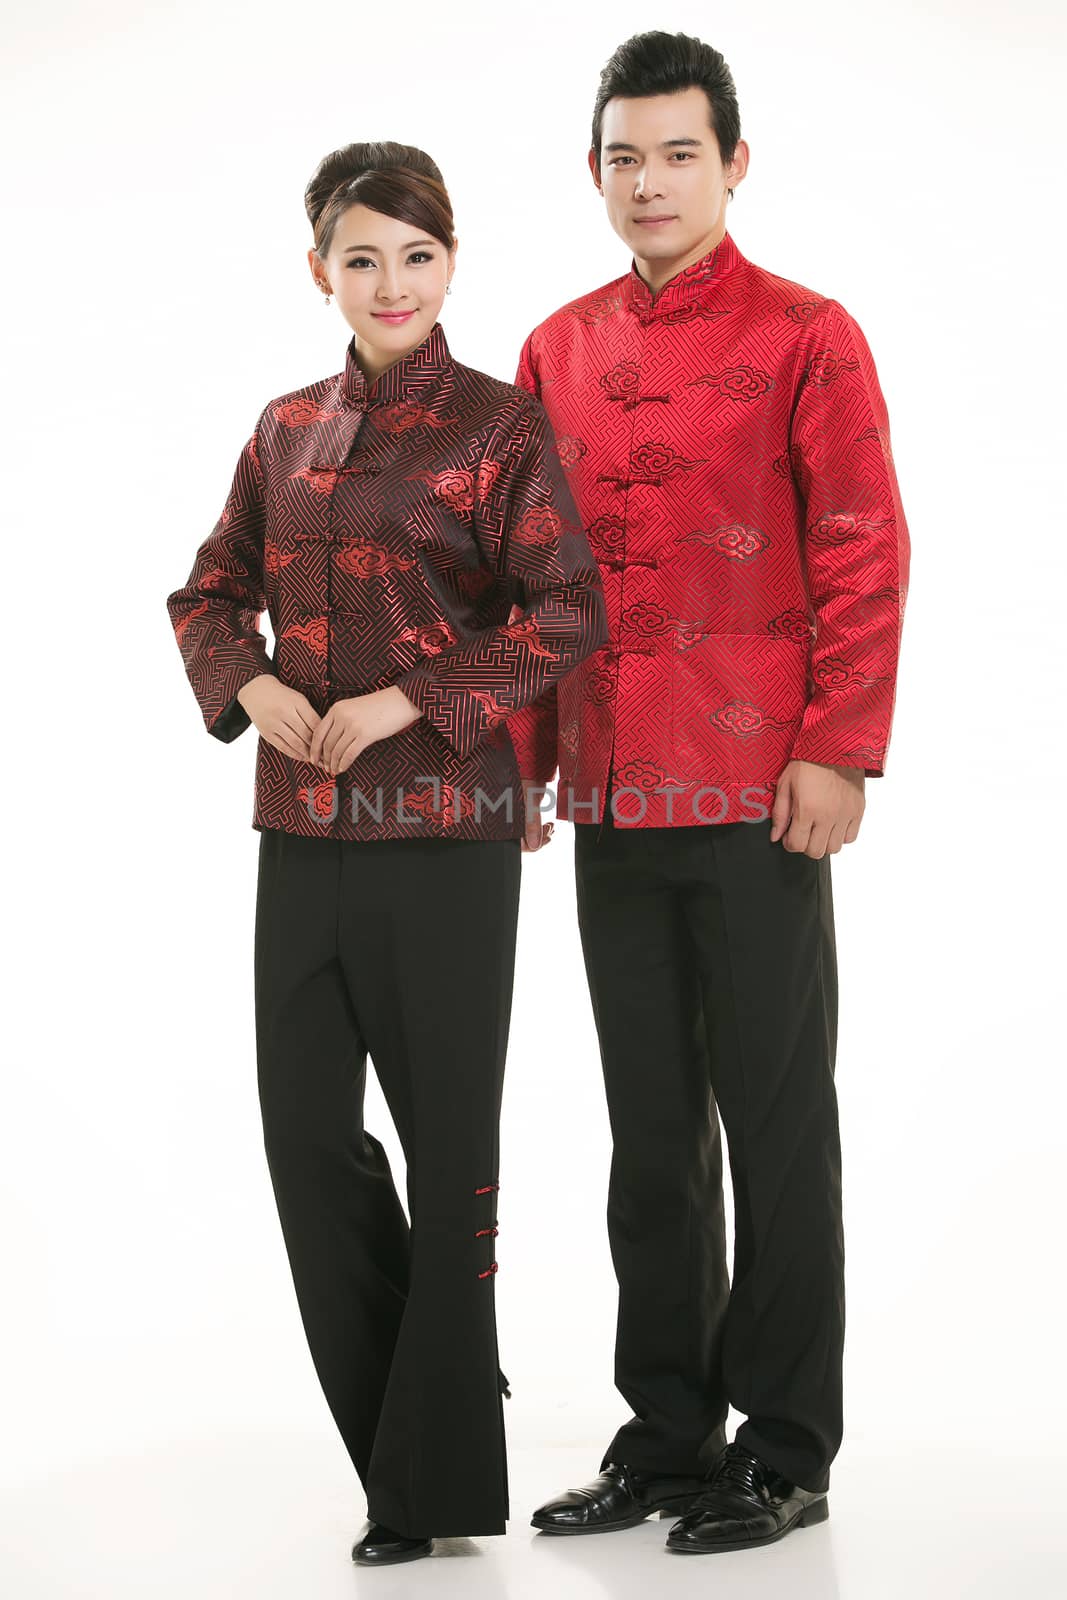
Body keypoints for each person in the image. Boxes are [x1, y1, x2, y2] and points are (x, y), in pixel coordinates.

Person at [165, 141, 607, 1567]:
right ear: (321, 271)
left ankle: (421, 1492)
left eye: (417, 254)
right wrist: (251, 685)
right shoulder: (285, 426)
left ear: (452, 262)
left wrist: (408, 697)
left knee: (451, 1157)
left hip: (446, 836)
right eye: (362, 256)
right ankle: (419, 1410)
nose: (392, 281)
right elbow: (209, 584)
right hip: (301, 833)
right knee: (307, 1148)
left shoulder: (499, 428)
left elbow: (564, 611)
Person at [506, 31, 910, 1553]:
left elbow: (865, 540)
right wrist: (533, 765)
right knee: (650, 1131)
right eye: (626, 155)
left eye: (681, 152)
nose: (651, 180)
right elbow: (533, 581)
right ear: (595, 171)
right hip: (611, 793)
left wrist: (838, 747)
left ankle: (788, 1446)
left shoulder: (813, 335)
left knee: (778, 1123)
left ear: (734, 163)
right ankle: (668, 1434)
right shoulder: (556, 349)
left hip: (759, 791)